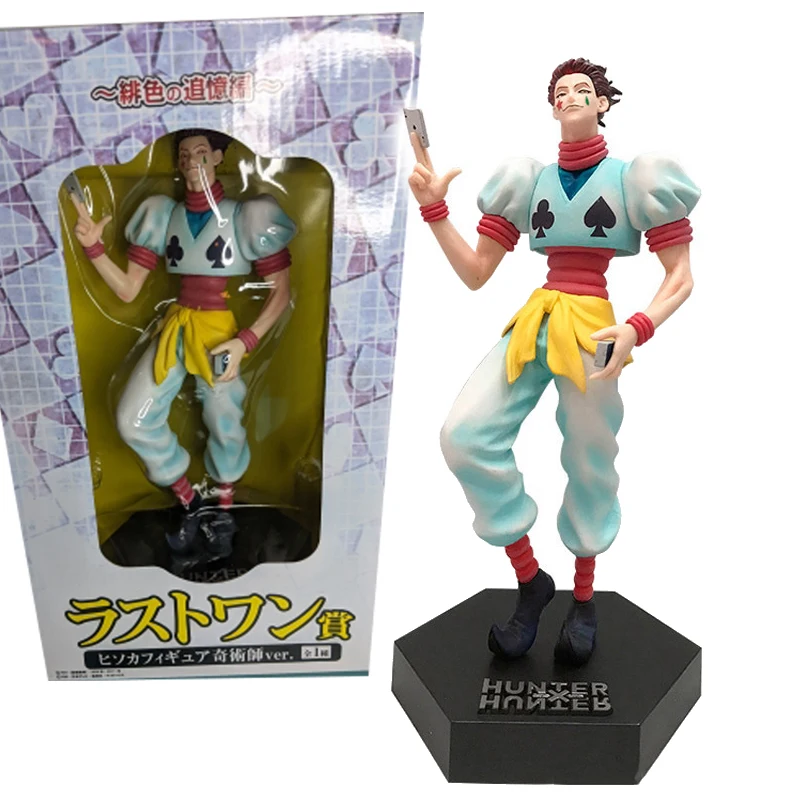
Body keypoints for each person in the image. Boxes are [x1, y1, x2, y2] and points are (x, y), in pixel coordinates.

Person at [407, 58, 699, 664]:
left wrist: (637, 328)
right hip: (536, 319)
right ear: (551, 105)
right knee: (464, 435)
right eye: (560, 90)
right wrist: (435, 211)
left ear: (603, 104)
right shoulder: (527, 180)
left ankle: (584, 599)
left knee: (591, 456)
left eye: (582, 90)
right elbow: (476, 272)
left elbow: (680, 276)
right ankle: (530, 580)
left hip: (595, 330)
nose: (570, 96)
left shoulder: (634, 178)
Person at [70, 128, 296, 566]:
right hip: (175, 329)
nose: (192, 162)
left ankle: (225, 512)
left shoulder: (247, 216)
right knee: (132, 418)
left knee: (225, 420)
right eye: (185, 155)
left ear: (219, 157)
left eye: (201, 153)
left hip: (219, 336)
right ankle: (189, 502)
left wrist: (245, 341)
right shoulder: (162, 214)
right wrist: (94, 247)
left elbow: (280, 293)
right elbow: (129, 290)